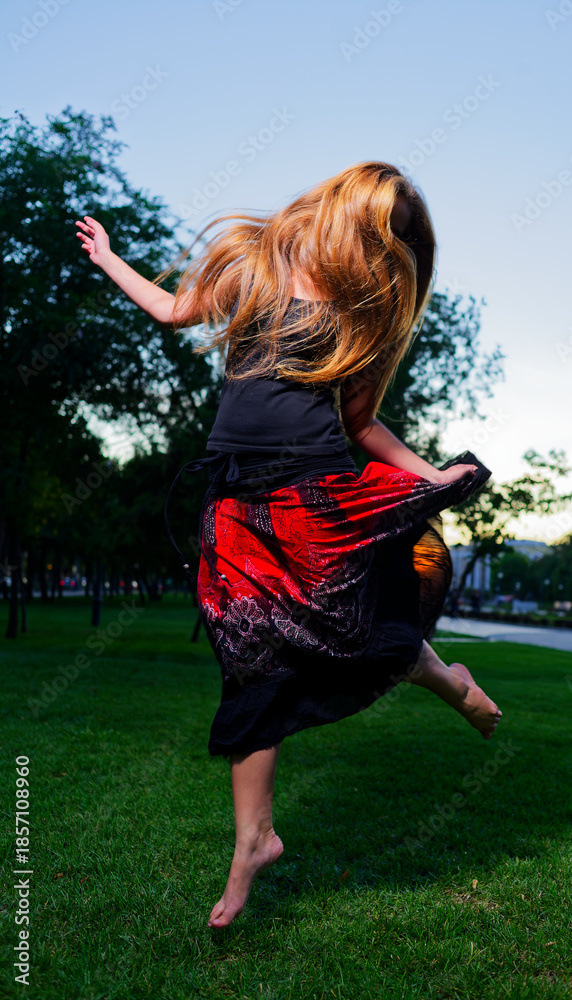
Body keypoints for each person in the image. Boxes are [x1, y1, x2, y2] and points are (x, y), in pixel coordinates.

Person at [75, 160, 502, 930]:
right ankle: (255, 840)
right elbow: (174, 310)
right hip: (236, 503)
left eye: (393, 242)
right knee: (251, 661)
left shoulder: (361, 314)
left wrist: (433, 474)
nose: (379, 251)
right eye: (375, 232)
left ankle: (447, 680)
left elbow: (360, 424)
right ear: (340, 212)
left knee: (350, 628)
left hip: (313, 494)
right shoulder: (253, 266)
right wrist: (109, 259)